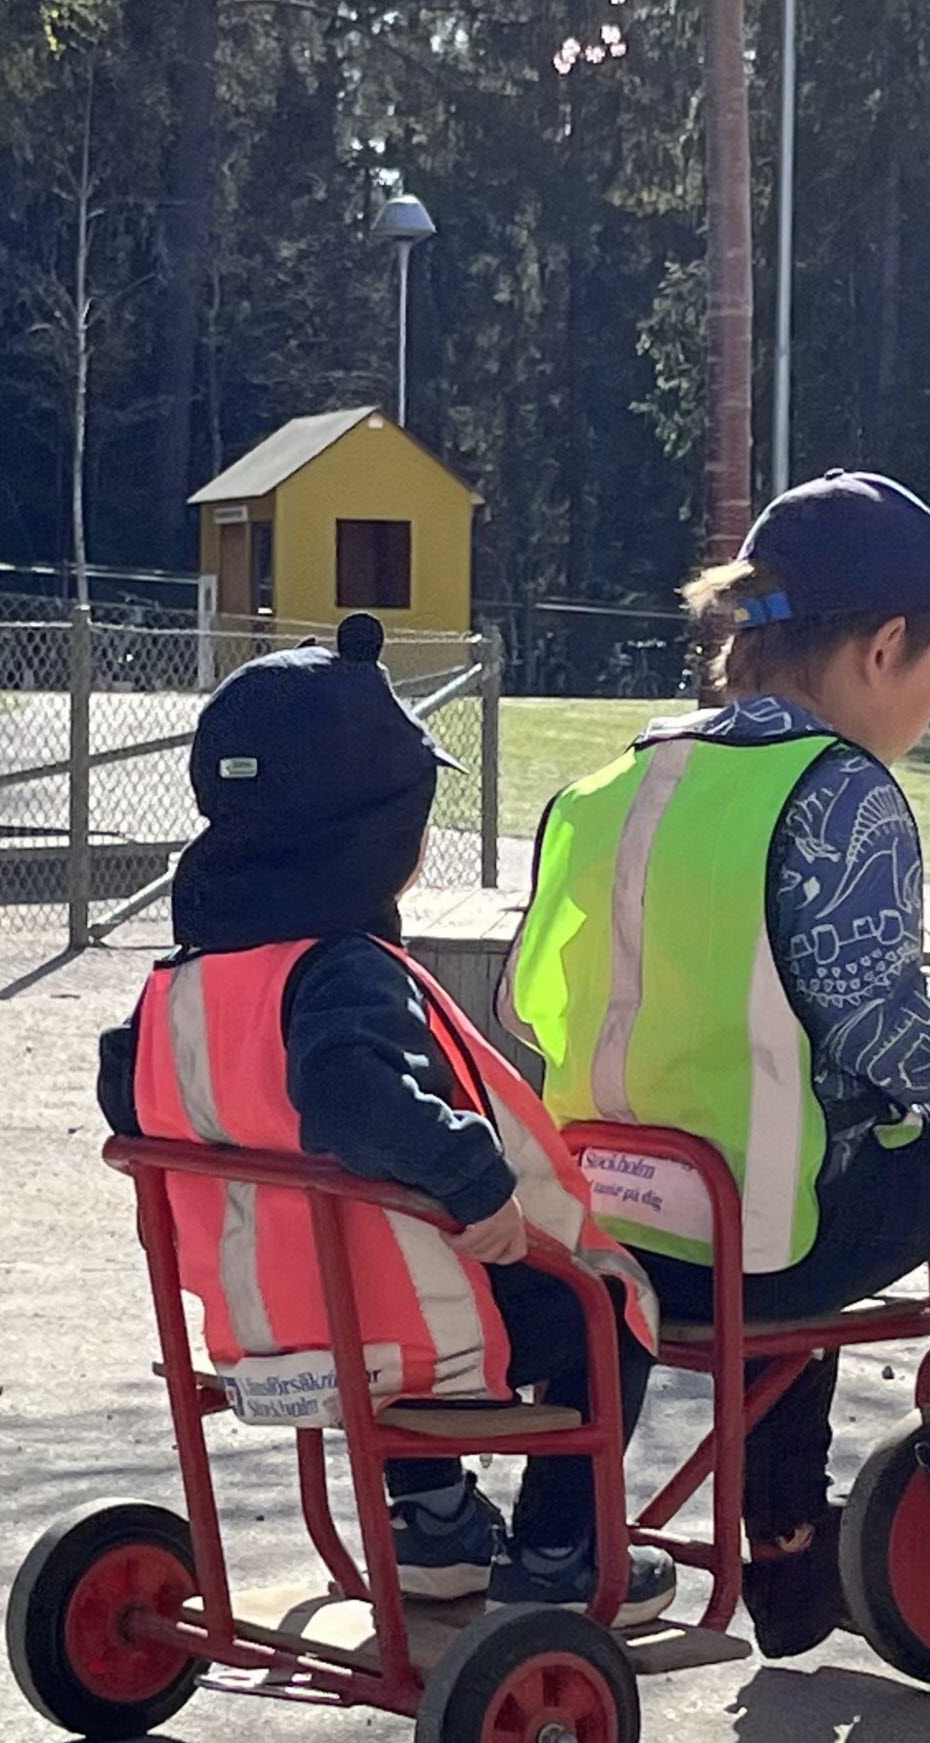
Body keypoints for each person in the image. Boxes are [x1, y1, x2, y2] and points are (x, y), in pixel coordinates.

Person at [508, 471, 930, 1660]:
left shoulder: (621, 778)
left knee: (809, 1149)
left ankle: (790, 1554)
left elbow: (547, 997)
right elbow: (887, 1033)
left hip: (615, 1222)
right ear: (882, 648)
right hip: (768, 1241)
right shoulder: (842, 794)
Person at [97, 615, 675, 1625]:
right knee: (610, 1300)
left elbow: (124, 1089)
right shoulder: (341, 971)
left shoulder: (176, 988)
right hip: (406, 1328)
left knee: (389, 1258)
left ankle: (436, 1525)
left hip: (264, 1327)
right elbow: (351, 1097)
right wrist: (476, 1183)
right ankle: (565, 1552)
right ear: (374, 840)